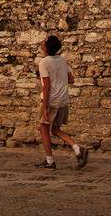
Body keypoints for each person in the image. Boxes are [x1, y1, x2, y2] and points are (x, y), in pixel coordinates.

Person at [35, 34, 87, 170]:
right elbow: (71, 79)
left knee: (44, 129)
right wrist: (60, 81)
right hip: (63, 100)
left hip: (51, 101)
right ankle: (77, 149)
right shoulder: (62, 60)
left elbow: (46, 86)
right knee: (56, 129)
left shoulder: (44, 62)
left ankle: (50, 161)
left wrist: (45, 108)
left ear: (46, 47)